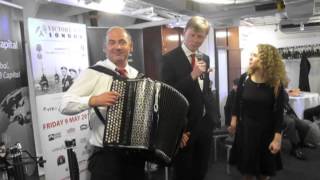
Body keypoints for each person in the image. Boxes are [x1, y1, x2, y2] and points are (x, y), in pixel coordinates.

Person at [60, 26, 145, 180]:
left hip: (135, 158)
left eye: (122, 42)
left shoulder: (137, 76)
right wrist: (93, 100)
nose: (117, 47)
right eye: (112, 43)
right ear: (105, 48)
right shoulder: (94, 72)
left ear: (131, 46)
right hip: (106, 159)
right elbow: (64, 104)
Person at [161, 16, 215, 180]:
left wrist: (212, 115)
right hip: (184, 127)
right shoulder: (169, 59)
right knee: (184, 172)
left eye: (201, 37)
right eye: (192, 35)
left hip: (204, 124)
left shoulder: (204, 58)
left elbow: (202, 90)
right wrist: (192, 75)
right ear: (185, 32)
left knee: (201, 170)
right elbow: (168, 94)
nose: (196, 40)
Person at [228, 44, 286, 180]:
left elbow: (278, 115)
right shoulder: (244, 79)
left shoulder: (276, 83)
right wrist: (234, 121)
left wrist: (277, 139)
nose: (250, 58)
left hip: (266, 133)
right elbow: (237, 103)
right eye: (250, 55)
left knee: (262, 174)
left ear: (266, 60)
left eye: (254, 55)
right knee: (247, 173)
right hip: (246, 132)